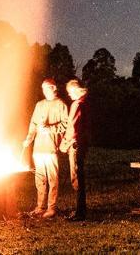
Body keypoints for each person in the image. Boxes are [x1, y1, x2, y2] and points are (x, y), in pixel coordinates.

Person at [22, 78, 68, 218]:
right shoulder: (39, 105)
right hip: (38, 149)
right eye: (42, 88)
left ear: (54, 88)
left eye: (47, 87)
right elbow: (33, 124)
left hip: (51, 148)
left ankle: (51, 207)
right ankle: (40, 206)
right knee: (40, 178)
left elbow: (66, 124)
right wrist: (29, 138)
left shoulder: (60, 105)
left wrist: (51, 128)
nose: (44, 90)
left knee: (52, 179)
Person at [61, 78, 90, 221]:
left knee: (77, 177)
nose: (69, 95)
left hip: (76, 144)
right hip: (81, 144)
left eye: (69, 92)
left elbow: (73, 127)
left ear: (74, 90)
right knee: (79, 176)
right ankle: (80, 210)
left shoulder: (77, 104)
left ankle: (80, 213)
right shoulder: (84, 103)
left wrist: (65, 142)